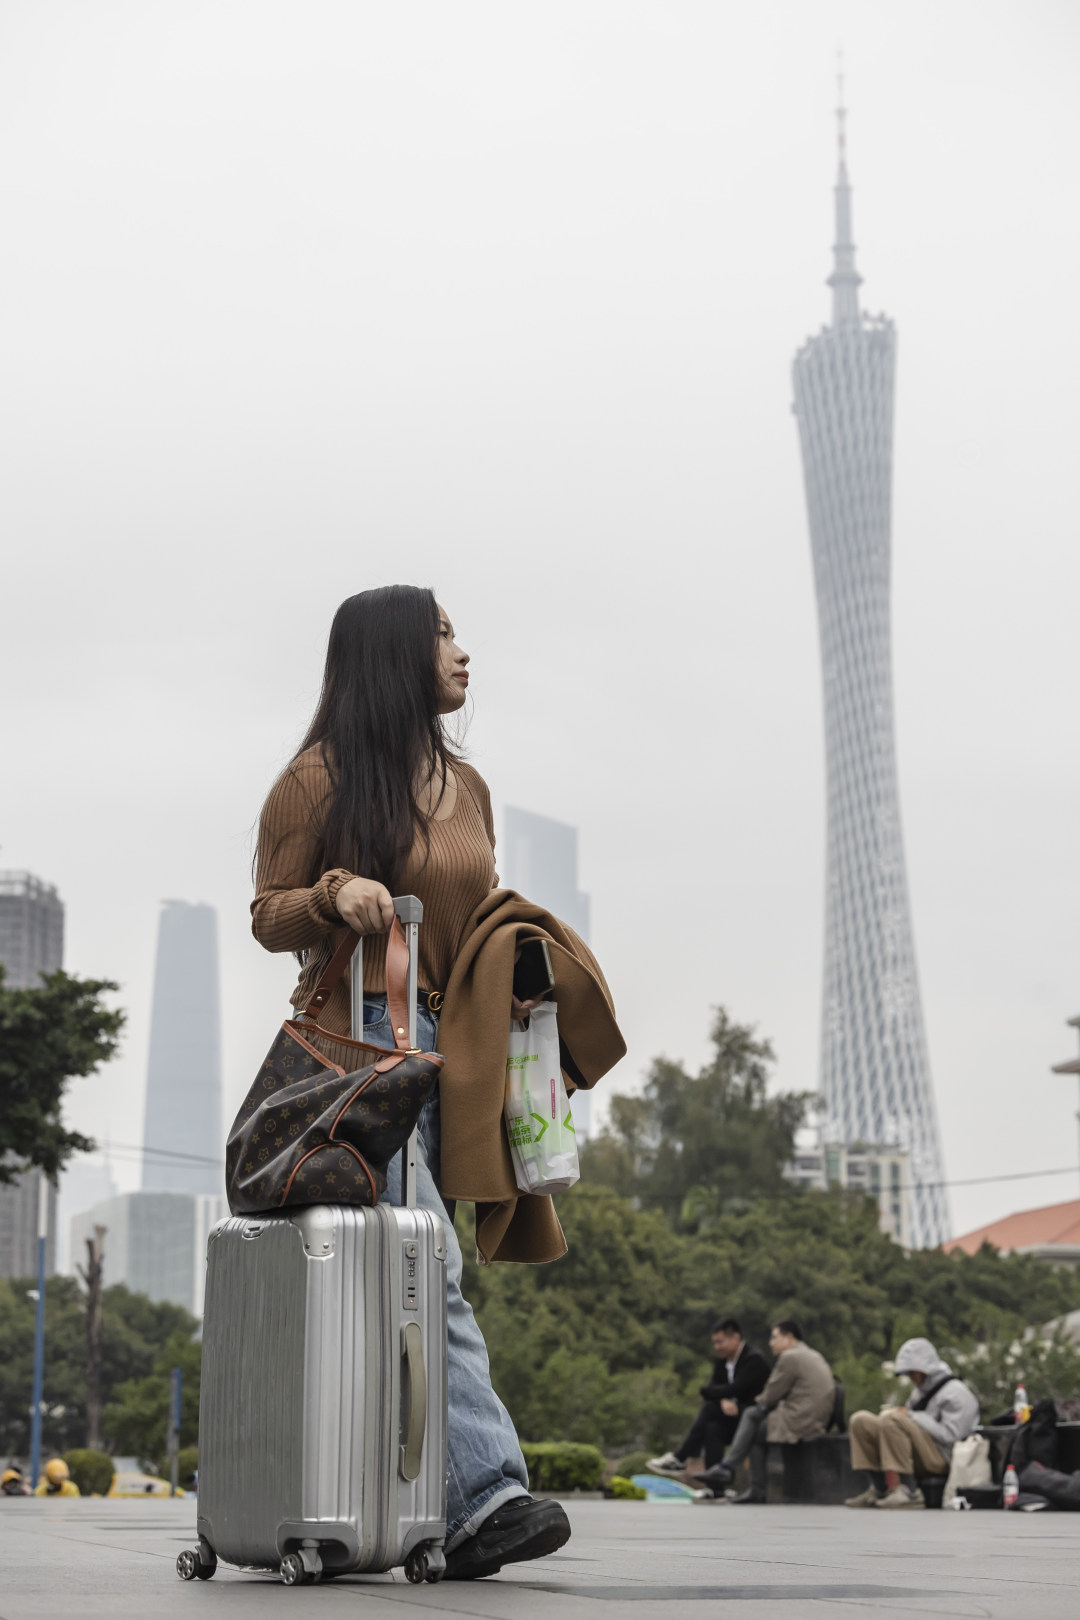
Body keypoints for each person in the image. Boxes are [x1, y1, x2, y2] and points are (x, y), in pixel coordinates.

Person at [252, 585, 623, 1580]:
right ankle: (482, 1498)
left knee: (402, 1276)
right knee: (424, 1265)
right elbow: (267, 913)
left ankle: (391, 1500)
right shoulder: (317, 781)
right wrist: (335, 893)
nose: (464, 652)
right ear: (393, 655)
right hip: (360, 1049)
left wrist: (519, 974)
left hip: (454, 1047)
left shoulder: (467, 786)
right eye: (444, 634)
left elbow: (475, 910)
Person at [691, 1319, 835, 1503]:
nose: (771, 1343)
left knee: (751, 1415)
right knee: (757, 1428)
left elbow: (770, 1395)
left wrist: (753, 1404)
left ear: (789, 1337)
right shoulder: (811, 1354)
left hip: (800, 1419)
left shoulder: (790, 1357)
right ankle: (744, 1481)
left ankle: (730, 1470)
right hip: (814, 1417)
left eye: (774, 1337)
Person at [845, 1337, 980, 1509]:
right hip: (921, 1452)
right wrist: (904, 1416)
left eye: (913, 1372)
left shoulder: (956, 1393)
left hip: (945, 1458)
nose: (911, 1377)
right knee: (861, 1420)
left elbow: (952, 1437)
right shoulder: (919, 1392)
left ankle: (910, 1492)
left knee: (891, 1418)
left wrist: (912, 1416)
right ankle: (879, 1489)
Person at [647, 1318, 769, 1477]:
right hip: (731, 1417)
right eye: (715, 1343)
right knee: (713, 1429)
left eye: (720, 1342)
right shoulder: (722, 1361)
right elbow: (714, 1389)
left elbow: (733, 1389)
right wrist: (722, 1399)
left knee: (710, 1408)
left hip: (753, 1417)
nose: (717, 1347)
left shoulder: (754, 1360)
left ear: (735, 1337)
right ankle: (714, 1486)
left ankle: (680, 1458)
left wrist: (712, 1393)